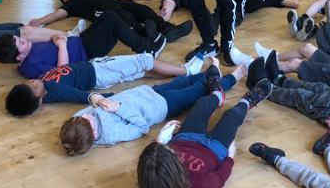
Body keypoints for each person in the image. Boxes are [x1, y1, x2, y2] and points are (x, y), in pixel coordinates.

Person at [136, 79, 272, 188]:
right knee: (232, 115)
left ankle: (217, 94)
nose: (172, 149)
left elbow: (152, 158)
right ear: (176, 167)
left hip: (186, 138)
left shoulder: (151, 177)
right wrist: (230, 157)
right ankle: (247, 101)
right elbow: (220, 177)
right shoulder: (201, 187)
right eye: (172, 151)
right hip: (215, 150)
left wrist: (161, 138)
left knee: (202, 104)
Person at [57, 63, 247, 155]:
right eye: (88, 119)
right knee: (199, 90)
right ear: (95, 133)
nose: (87, 114)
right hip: (161, 106)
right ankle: (231, 78)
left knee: (183, 81)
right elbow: (142, 127)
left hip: (147, 92)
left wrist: (93, 97)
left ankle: (210, 73)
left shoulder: (81, 121)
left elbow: (82, 112)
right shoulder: (112, 133)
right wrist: (118, 108)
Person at [4, 52, 201, 117]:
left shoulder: (44, 86)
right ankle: (188, 71)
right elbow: (79, 96)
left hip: (97, 70)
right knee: (144, 60)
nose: (34, 81)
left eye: (28, 82)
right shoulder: (53, 90)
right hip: (99, 72)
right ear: (39, 100)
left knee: (140, 71)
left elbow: (61, 71)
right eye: (34, 87)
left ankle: (178, 74)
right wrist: (107, 98)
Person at [0, 13, 166, 79]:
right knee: (113, 22)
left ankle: (142, 36)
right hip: (86, 53)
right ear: (19, 56)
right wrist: (62, 46)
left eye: (20, 38)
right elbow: (62, 72)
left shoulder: (28, 54)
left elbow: (49, 48)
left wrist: (54, 38)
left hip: (80, 41)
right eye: (21, 42)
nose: (24, 39)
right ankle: (146, 48)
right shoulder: (31, 66)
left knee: (107, 16)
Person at [28, 0, 192, 43]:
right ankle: (145, 34)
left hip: (116, 3)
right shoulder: (73, 3)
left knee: (143, 10)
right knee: (123, 16)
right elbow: (59, 13)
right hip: (103, 12)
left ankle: (168, 29)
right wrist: (40, 20)